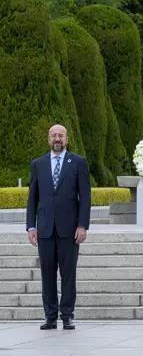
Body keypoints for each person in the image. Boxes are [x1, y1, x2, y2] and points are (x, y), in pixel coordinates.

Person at [25, 124, 91, 330]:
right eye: (54, 135)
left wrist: (82, 225)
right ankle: (50, 317)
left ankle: (67, 315)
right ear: (48, 139)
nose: (57, 138)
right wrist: (30, 227)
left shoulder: (78, 163)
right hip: (44, 229)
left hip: (69, 229)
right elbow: (32, 198)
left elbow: (85, 197)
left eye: (61, 135)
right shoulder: (38, 164)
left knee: (68, 273)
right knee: (47, 273)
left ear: (66, 139)